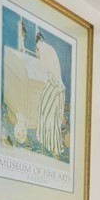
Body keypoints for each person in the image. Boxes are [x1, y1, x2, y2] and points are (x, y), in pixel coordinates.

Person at [35, 31, 66, 160]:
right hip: (58, 87)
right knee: (52, 117)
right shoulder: (49, 49)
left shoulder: (42, 49)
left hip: (54, 87)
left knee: (48, 116)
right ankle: (50, 144)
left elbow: (43, 69)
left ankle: (50, 145)